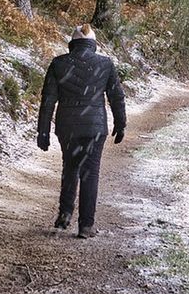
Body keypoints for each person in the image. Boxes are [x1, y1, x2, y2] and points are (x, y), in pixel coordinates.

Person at [36, 23, 126, 239]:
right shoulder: (105, 64)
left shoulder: (59, 64)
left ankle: (64, 215)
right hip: (95, 127)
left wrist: (43, 131)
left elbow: (48, 100)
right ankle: (86, 225)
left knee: (70, 168)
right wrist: (120, 123)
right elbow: (116, 96)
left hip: (67, 127)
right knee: (90, 173)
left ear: (72, 43)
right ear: (93, 44)